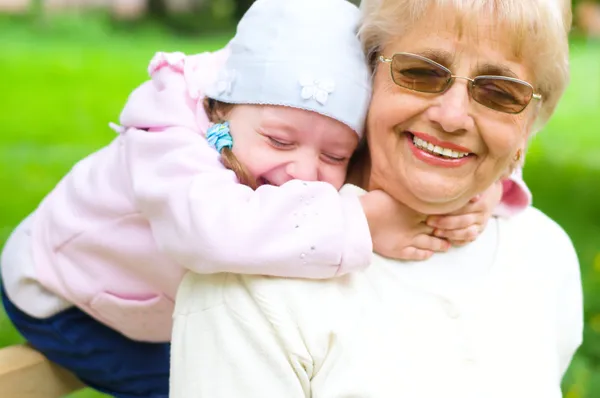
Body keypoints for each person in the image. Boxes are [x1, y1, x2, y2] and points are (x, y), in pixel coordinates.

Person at [0, 0, 529, 396]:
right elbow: (208, 230)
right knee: (207, 379)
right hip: (67, 296)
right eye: (279, 142)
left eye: (337, 155)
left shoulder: (299, 128)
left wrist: (475, 193)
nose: (302, 170)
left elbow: (407, 158)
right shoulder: (167, 140)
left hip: (153, 297)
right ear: (219, 112)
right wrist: (362, 222)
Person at [170, 0, 583, 397]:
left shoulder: (542, 254)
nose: (452, 116)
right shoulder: (252, 273)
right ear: (367, 78)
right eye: (421, 72)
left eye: (499, 92)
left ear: (527, 125)